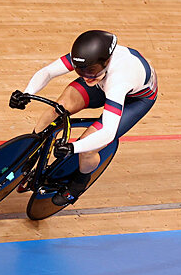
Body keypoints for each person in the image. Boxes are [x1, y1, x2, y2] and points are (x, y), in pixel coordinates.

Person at [9, 30, 158, 205]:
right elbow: (49, 72)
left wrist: (74, 147)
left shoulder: (119, 79)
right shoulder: (87, 60)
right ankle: (31, 154)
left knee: (88, 147)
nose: (86, 77)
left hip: (135, 99)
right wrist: (27, 93)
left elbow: (108, 132)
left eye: (91, 71)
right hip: (101, 83)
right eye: (81, 71)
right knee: (57, 109)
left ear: (107, 61)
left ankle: (79, 183)